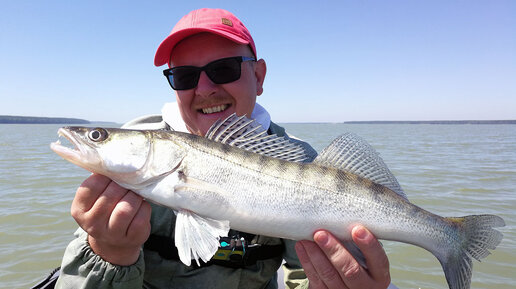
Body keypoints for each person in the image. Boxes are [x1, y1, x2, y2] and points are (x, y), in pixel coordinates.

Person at [55, 8, 392, 289]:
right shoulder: (125, 171)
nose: (204, 88)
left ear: (259, 76)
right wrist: (107, 253)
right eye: (185, 76)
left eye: (224, 70)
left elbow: (303, 276)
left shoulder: (304, 162)